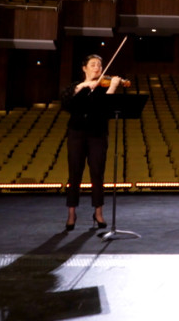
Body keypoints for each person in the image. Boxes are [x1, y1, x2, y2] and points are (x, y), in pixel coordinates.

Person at [60, 54, 122, 231]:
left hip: (98, 134)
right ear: (84, 68)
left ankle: (98, 213)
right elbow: (65, 102)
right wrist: (83, 86)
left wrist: (113, 87)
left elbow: (105, 108)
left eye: (100, 66)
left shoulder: (105, 87)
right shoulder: (75, 87)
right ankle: (71, 214)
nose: (97, 68)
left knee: (97, 174)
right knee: (74, 175)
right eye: (93, 64)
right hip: (76, 133)